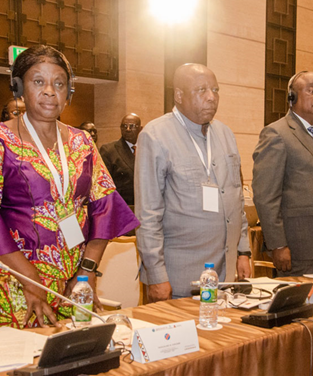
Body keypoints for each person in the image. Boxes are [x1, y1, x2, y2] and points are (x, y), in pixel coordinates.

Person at [0, 45, 139, 328]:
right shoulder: (3, 141)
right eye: (38, 81)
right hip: (16, 283)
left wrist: (86, 272)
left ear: (68, 93)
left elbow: (106, 207)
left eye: (59, 83)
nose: (50, 90)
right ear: (19, 88)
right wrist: (31, 280)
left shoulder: (82, 142)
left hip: (74, 286)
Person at [135, 63, 251, 301]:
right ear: (179, 95)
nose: (211, 98)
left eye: (216, 90)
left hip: (224, 275)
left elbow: (236, 197)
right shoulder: (155, 136)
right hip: (179, 280)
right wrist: (157, 275)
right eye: (202, 90)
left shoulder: (225, 134)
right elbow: (148, 215)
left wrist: (243, 251)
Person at [252, 71, 313, 276]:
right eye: (312, 90)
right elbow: (266, 196)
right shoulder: (277, 133)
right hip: (300, 247)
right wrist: (278, 244)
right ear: (292, 97)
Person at [99, 113, 142, 206]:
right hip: (122, 207)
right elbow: (104, 184)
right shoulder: (109, 150)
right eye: (124, 126)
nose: (128, 129)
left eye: (132, 126)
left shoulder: (147, 149)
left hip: (144, 206)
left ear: (140, 129)